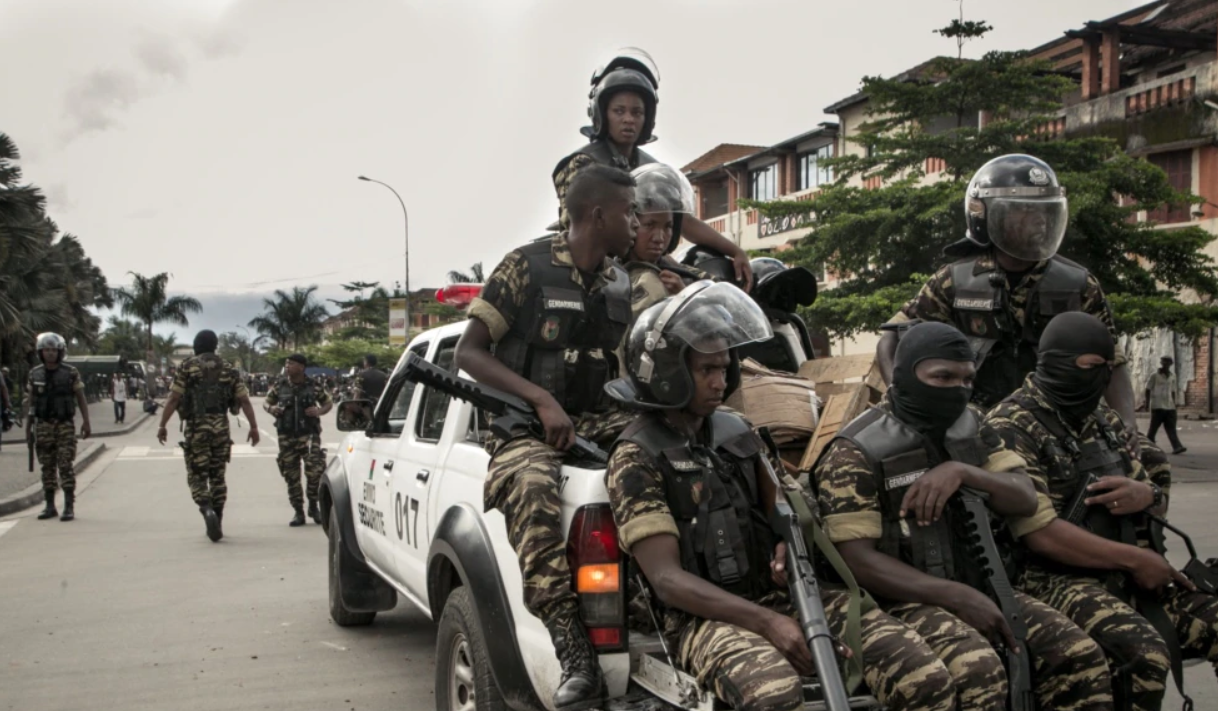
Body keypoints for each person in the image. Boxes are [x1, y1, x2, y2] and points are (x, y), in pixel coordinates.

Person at [605, 285, 977, 711]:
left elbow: (794, 505)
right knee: (774, 694)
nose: (720, 380)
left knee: (920, 674)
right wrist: (769, 623)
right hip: (702, 618)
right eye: (707, 369)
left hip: (782, 595)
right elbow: (667, 580)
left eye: (725, 368)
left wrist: (788, 539)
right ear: (668, 372)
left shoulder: (737, 431)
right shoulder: (637, 455)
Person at [814, 321, 1112, 710]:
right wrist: (955, 596)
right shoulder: (856, 449)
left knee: (1077, 656)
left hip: (978, 583)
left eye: (967, 379)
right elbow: (857, 560)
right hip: (896, 600)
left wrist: (964, 471)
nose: (958, 389)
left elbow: (1025, 498)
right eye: (942, 377)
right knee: (979, 672)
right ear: (906, 374)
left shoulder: (971, 424)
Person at [454, 164, 640, 711]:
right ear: (598, 214)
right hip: (524, 428)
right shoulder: (525, 267)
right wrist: (540, 399)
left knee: (661, 457)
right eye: (629, 212)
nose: (635, 222)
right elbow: (469, 353)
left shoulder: (619, 282)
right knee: (533, 485)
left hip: (597, 418)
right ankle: (572, 647)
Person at [984, 312, 1218, 711]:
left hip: (1124, 567)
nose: (1100, 379)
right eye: (1091, 368)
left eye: (1107, 369)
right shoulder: (1011, 425)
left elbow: (1152, 494)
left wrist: (1146, 494)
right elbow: (1039, 532)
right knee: (1141, 652)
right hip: (1047, 578)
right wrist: (1137, 560)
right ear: (1057, 362)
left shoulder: (1102, 420)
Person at [875, 154, 1137, 438]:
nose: (1038, 221)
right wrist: (902, 402)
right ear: (986, 215)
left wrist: (1128, 422)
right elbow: (892, 338)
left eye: (1044, 211)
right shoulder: (952, 281)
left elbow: (1113, 360)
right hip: (972, 425)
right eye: (1023, 210)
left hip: (1057, 427)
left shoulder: (1079, 284)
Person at [552, 51, 753, 289]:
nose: (629, 119)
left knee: (715, 289)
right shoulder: (581, 165)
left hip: (641, 264)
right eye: (619, 111)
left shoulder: (652, 170)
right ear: (602, 113)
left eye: (637, 112)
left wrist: (735, 251)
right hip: (589, 271)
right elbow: (577, 230)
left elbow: (682, 220)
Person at [157, 330, 260, 543]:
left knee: (197, 474)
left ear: (196, 346)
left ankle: (206, 509)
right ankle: (218, 518)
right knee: (218, 475)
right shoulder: (229, 369)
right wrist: (254, 427)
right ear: (215, 347)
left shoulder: (187, 367)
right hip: (221, 428)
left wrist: (162, 424)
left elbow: (174, 397)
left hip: (197, 428)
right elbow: (244, 400)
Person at [623, 163, 712, 318]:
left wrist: (683, 296)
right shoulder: (609, 273)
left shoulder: (678, 270)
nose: (659, 238)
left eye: (668, 227)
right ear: (632, 223)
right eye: (649, 225)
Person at [23, 332, 91, 522]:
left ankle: (68, 505)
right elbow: (31, 402)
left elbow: (80, 397)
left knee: (65, 464)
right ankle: (50, 505)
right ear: (41, 352)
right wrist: (28, 428)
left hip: (64, 426)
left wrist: (86, 421)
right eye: (47, 350)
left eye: (54, 350)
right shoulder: (34, 373)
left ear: (60, 351)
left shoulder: (70, 372)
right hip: (43, 425)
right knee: (47, 466)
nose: (50, 353)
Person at [265, 354, 333, 526]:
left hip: (309, 434)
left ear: (302, 367)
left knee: (314, 472)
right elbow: (267, 402)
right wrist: (272, 409)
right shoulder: (279, 386)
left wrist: (319, 411)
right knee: (291, 475)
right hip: (286, 437)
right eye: (286, 363)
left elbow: (328, 403)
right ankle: (298, 512)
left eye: (292, 364)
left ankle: (313, 506)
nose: (288, 366)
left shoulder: (313, 386)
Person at [1144, 356, 1186, 454]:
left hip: (1169, 406)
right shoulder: (1154, 375)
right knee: (1153, 429)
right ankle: (1147, 445)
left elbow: (1173, 391)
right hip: (1158, 406)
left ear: (1171, 364)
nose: (1166, 364)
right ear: (1161, 363)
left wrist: (1174, 404)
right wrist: (1147, 403)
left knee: (1171, 428)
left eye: (1168, 362)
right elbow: (1148, 389)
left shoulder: (1172, 376)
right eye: (1164, 362)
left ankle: (1177, 447)